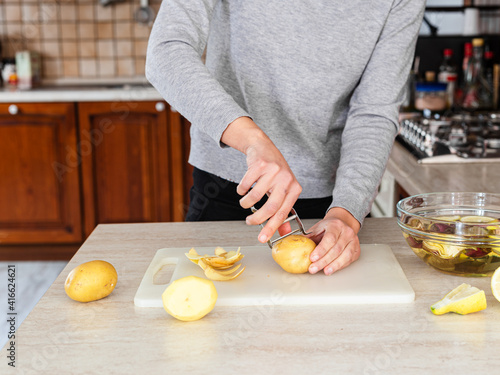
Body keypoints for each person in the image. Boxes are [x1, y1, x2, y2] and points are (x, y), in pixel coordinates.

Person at [146, 0, 425, 275]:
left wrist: (346, 214)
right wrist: (253, 141)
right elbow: (166, 52)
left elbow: (373, 113)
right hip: (227, 190)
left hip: (332, 203)